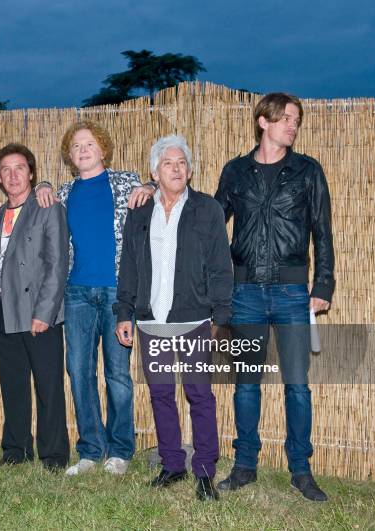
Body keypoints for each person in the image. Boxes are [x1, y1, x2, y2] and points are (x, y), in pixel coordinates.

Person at [215, 93, 335, 501]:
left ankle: (301, 470)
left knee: (297, 386)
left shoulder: (307, 171)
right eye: (287, 118)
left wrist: (323, 286)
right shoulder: (235, 172)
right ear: (263, 121)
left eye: (297, 121)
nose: (293, 126)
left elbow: (323, 232)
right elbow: (211, 224)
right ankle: (245, 465)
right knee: (246, 384)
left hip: (291, 293)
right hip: (244, 292)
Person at [115, 135, 232, 500]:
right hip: (150, 321)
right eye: (168, 163)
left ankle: (204, 470)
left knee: (200, 394)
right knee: (161, 394)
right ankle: (172, 464)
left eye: (182, 162)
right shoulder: (139, 211)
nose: (176, 168)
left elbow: (220, 266)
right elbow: (130, 266)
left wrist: (221, 315)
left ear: (190, 169)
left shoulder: (207, 210)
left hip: (194, 319)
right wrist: (124, 312)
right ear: (155, 171)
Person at [36, 120, 155, 476]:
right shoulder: (64, 191)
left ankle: (120, 451)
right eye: (76, 146)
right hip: (77, 293)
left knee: (118, 373)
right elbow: (41, 198)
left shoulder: (127, 183)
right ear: (70, 157)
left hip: (119, 293)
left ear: (102, 149)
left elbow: (159, 189)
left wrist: (149, 185)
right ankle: (90, 450)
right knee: (78, 370)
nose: (83, 150)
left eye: (89, 144)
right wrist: (42, 183)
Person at [0, 143, 70, 471]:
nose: (13, 175)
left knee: (49, 387)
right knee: (13, 387)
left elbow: (57, 263)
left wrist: (45, 312)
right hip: (5, 315)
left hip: (39, 314)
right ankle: (16, 449)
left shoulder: (47, 207)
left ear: (32, 172)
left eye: (19, 167)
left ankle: (53, 455)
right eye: (6, 169)